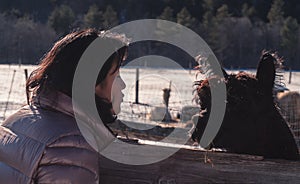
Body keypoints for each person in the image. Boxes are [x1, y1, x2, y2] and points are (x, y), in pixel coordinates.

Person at [0, 28, 128, 183]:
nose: (123, 85)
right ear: (92, 81)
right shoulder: (72, 144)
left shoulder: (17, 120)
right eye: (116, 75)